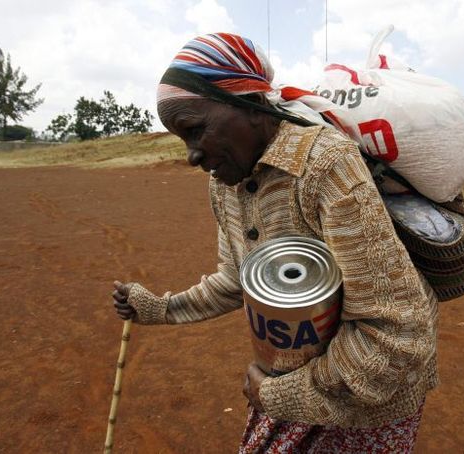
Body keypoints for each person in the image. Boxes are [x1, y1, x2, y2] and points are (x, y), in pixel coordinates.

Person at [111, 33, 438, 453]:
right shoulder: (225, 183)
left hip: (367, 405)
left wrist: (279, 395)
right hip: (289, 380)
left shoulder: (325, 165)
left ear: (249, 104)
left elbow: (399, 336)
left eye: (195, 130)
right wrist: (160, 307)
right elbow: (238, 279)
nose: (192, 156)